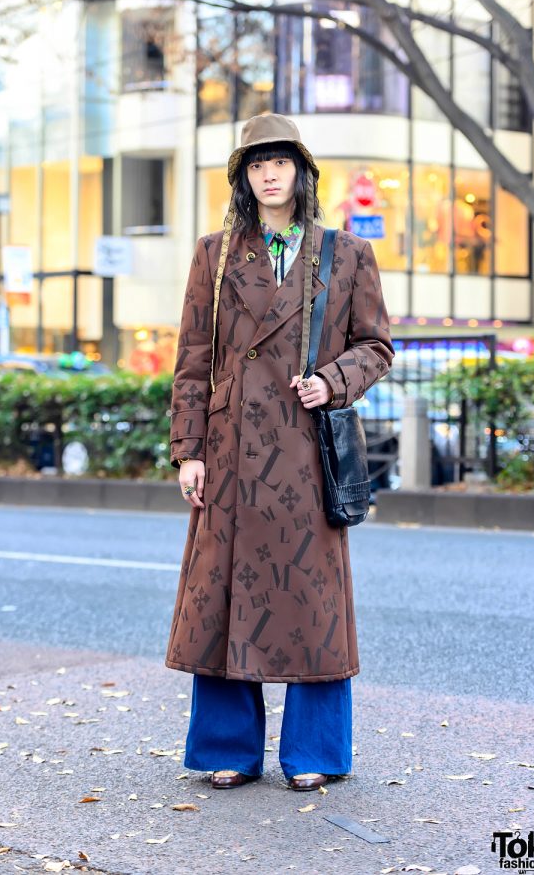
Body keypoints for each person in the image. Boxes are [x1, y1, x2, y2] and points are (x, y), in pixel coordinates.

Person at [165, 113, 395, 792]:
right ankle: (228, 748)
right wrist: (189, 451)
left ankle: (315, 751)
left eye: (281, 161)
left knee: (314, 602)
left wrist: (332, 381)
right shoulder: (214, 255)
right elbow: (192, 360)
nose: (269, 173)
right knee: (220, 599)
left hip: (304, 455)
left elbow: (377, 346)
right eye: (256, 162)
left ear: (301, 172)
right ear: (242, 176)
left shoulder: (345, 253)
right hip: (231, 455)